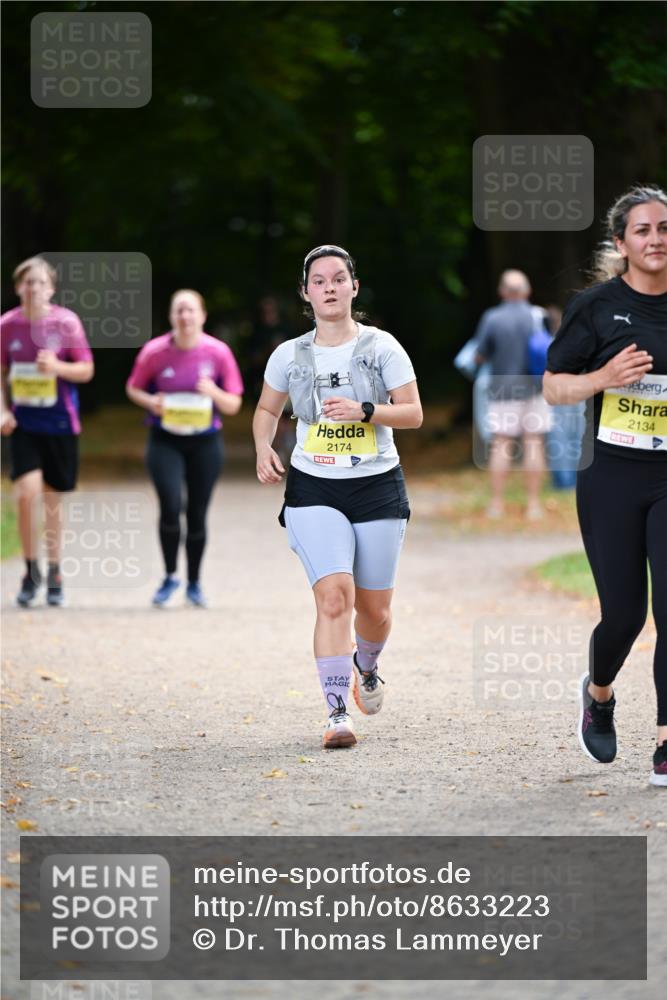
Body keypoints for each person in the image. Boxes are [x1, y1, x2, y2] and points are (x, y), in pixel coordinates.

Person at [253, 245, 422, 749]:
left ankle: (365, 668)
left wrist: (367, 410)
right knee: (333, 598)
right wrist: (263, 445)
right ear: (306, 293)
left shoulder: (382, 347)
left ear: (354, 287)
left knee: (375, 612)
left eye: (338, 279)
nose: (329, 287)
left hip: (376, 485)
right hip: (314, 486)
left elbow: (412, 413)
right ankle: (335, 713)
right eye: (319, 281)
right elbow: (266, 409)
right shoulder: (289, 354)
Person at [543, 184, 667, 787]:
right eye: (643, 230)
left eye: (665, 228)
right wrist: (604, 377)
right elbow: (553, 387)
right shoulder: (596, 307)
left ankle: (666, 741)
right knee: (625, 614)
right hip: (612, 477)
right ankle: (599, 694)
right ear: (622, 244)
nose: (656, 239)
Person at [126, 289, 243, 608]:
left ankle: (193, 582)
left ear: (202, 316)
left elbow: (233, 403)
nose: (185, 316)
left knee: (197, 513)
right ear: (171, 316)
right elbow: (133, 387)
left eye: (191, 310)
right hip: (165, 440)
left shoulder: (218, 353)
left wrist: (213, 391)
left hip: (205, 443)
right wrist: (152, 402)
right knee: (170, 505)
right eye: (179, 310)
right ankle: (169, 577)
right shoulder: (154, 352)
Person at [0, 256, 94, 607]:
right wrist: (3, 410)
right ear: (17, 288)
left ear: (51, 288)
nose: (33, 288)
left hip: (60, 424)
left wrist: (56, 367)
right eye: (27, 282)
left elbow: (86, 370)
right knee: (26, 494)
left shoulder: (66, 323)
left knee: (53, 501)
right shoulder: (6, 325)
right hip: (24, 425)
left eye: (40, 282)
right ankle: (29, 570)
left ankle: (54, 570)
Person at [475, 270, 554, 520]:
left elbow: (480, 354)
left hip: (502, 389)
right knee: (534, 443)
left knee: (501, 444)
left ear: (502, 292)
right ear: (527, 292)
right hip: (535, 387)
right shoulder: (539, 316)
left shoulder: (492, 318)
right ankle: (533, 506)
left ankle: (497, 505)